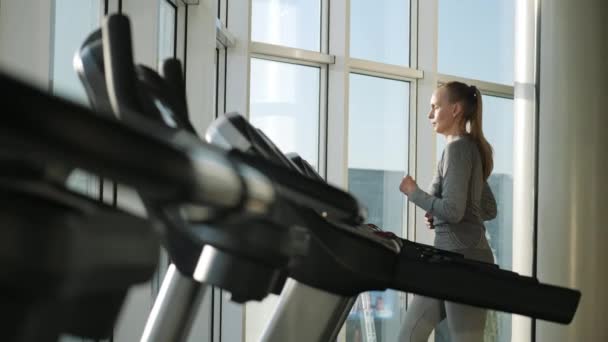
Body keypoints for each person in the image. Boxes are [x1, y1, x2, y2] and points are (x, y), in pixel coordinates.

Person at [398, 81, 498, 342]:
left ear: (454, 110)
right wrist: (440, 213)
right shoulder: (463, 149)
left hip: (464, 262)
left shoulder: (458, 150)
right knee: (408, 335)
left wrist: (413, 192)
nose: (430, 115)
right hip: (448, 259)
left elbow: (454, 211)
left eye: (435, 107)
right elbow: (486, 208)